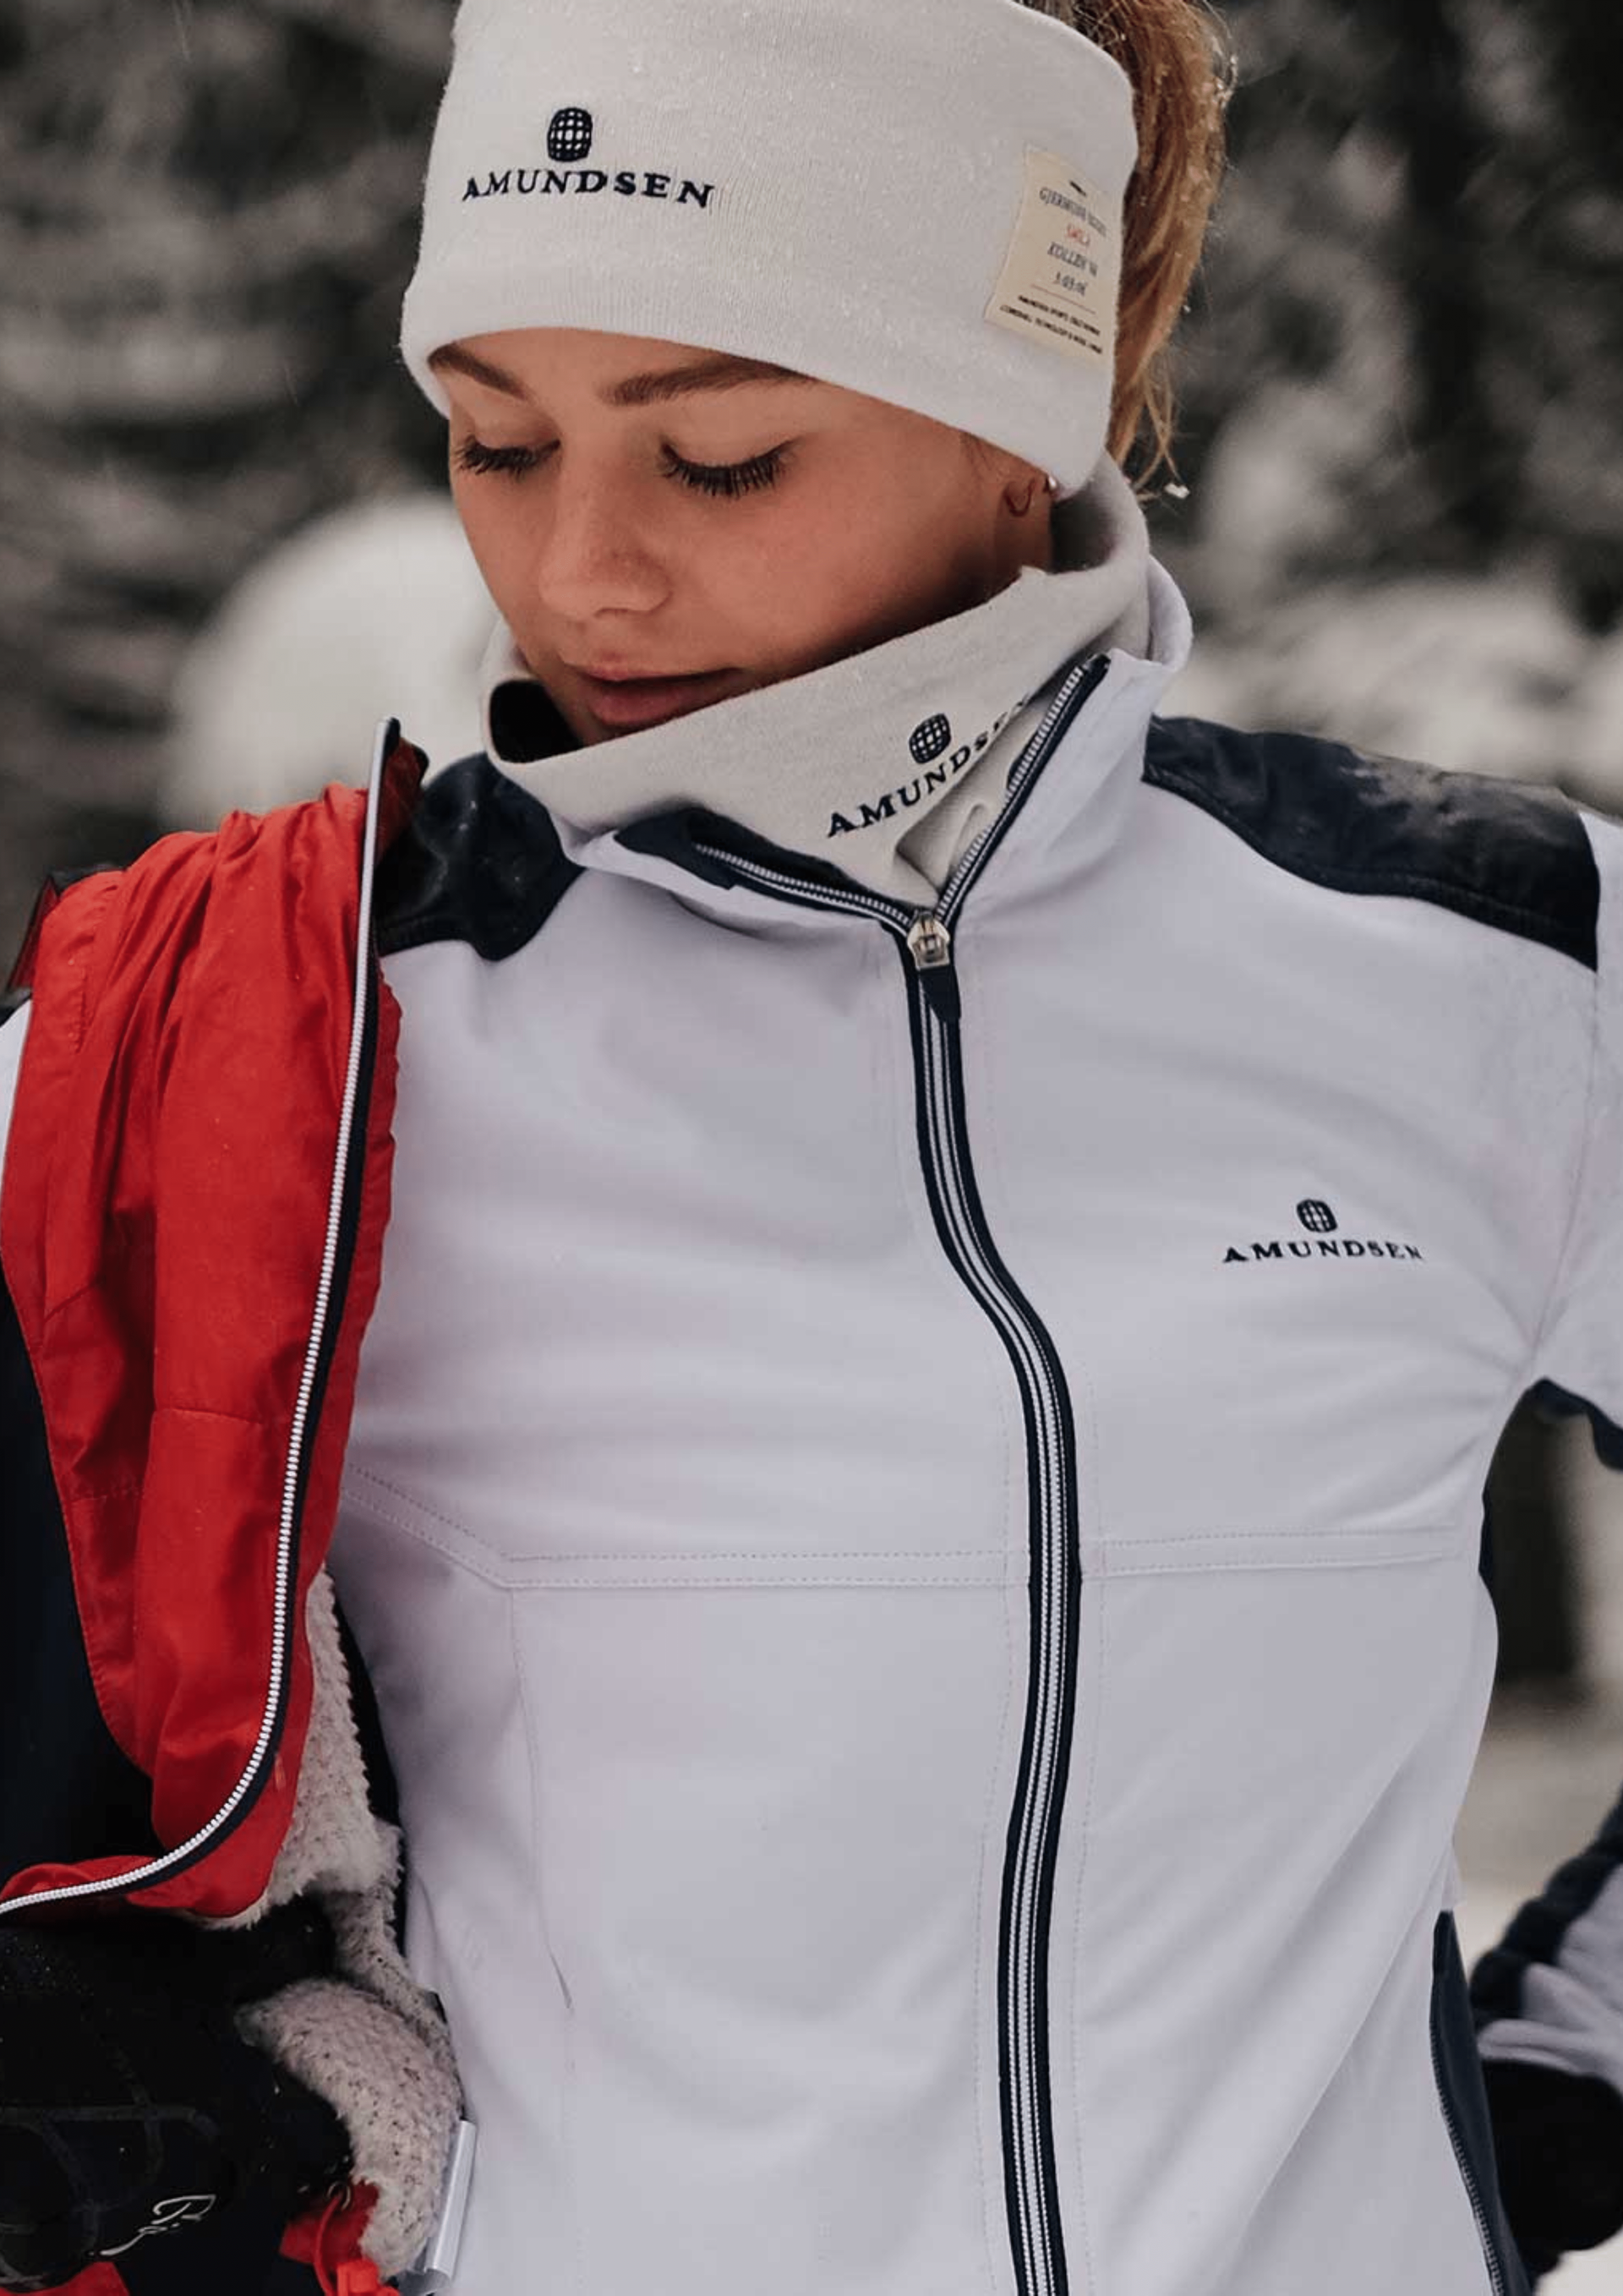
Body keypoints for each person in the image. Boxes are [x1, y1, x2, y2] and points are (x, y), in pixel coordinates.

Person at [2, 0, 1622, 2290]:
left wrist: (1556, 2091)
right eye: (494, 436)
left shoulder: (1483, 963)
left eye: (724, 455)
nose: (580, 572)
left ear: (1016, 419)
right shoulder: (289, 1042)